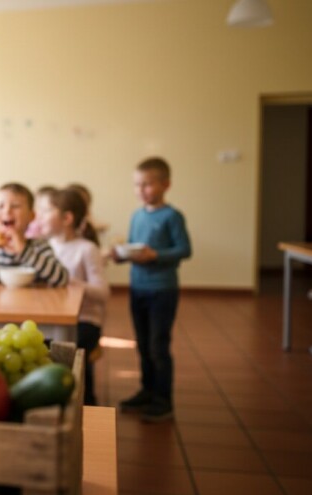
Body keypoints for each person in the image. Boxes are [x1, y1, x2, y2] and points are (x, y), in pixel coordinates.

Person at [113, 157, 191, 422]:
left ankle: (163, 400)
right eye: (137, 184)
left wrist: (155, 255)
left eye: (147, 184)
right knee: (143, 344)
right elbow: (133, 246)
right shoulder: (137, 215)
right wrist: (121, 255)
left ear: (165, 184)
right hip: (138, 288)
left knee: (158, 346)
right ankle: (147, 390)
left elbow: (184, 250)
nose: (141, 190)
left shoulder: (172, 216)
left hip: (162, 290)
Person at [38, 188, 110, 405]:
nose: (40, 216)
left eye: (46, 211)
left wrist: (69, 280)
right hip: (52, 317)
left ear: (67, 218)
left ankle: (84, 403)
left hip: (85, 321)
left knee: (68, 358)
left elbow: (103, 293)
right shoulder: (45, 247)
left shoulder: (87, 249)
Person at [0, 182, 68, 287]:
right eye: (0, 206)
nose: (7, 210)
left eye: (15, 206)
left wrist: (24, 251)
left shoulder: (40, 246)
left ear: (32, 216)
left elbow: (62, 278)